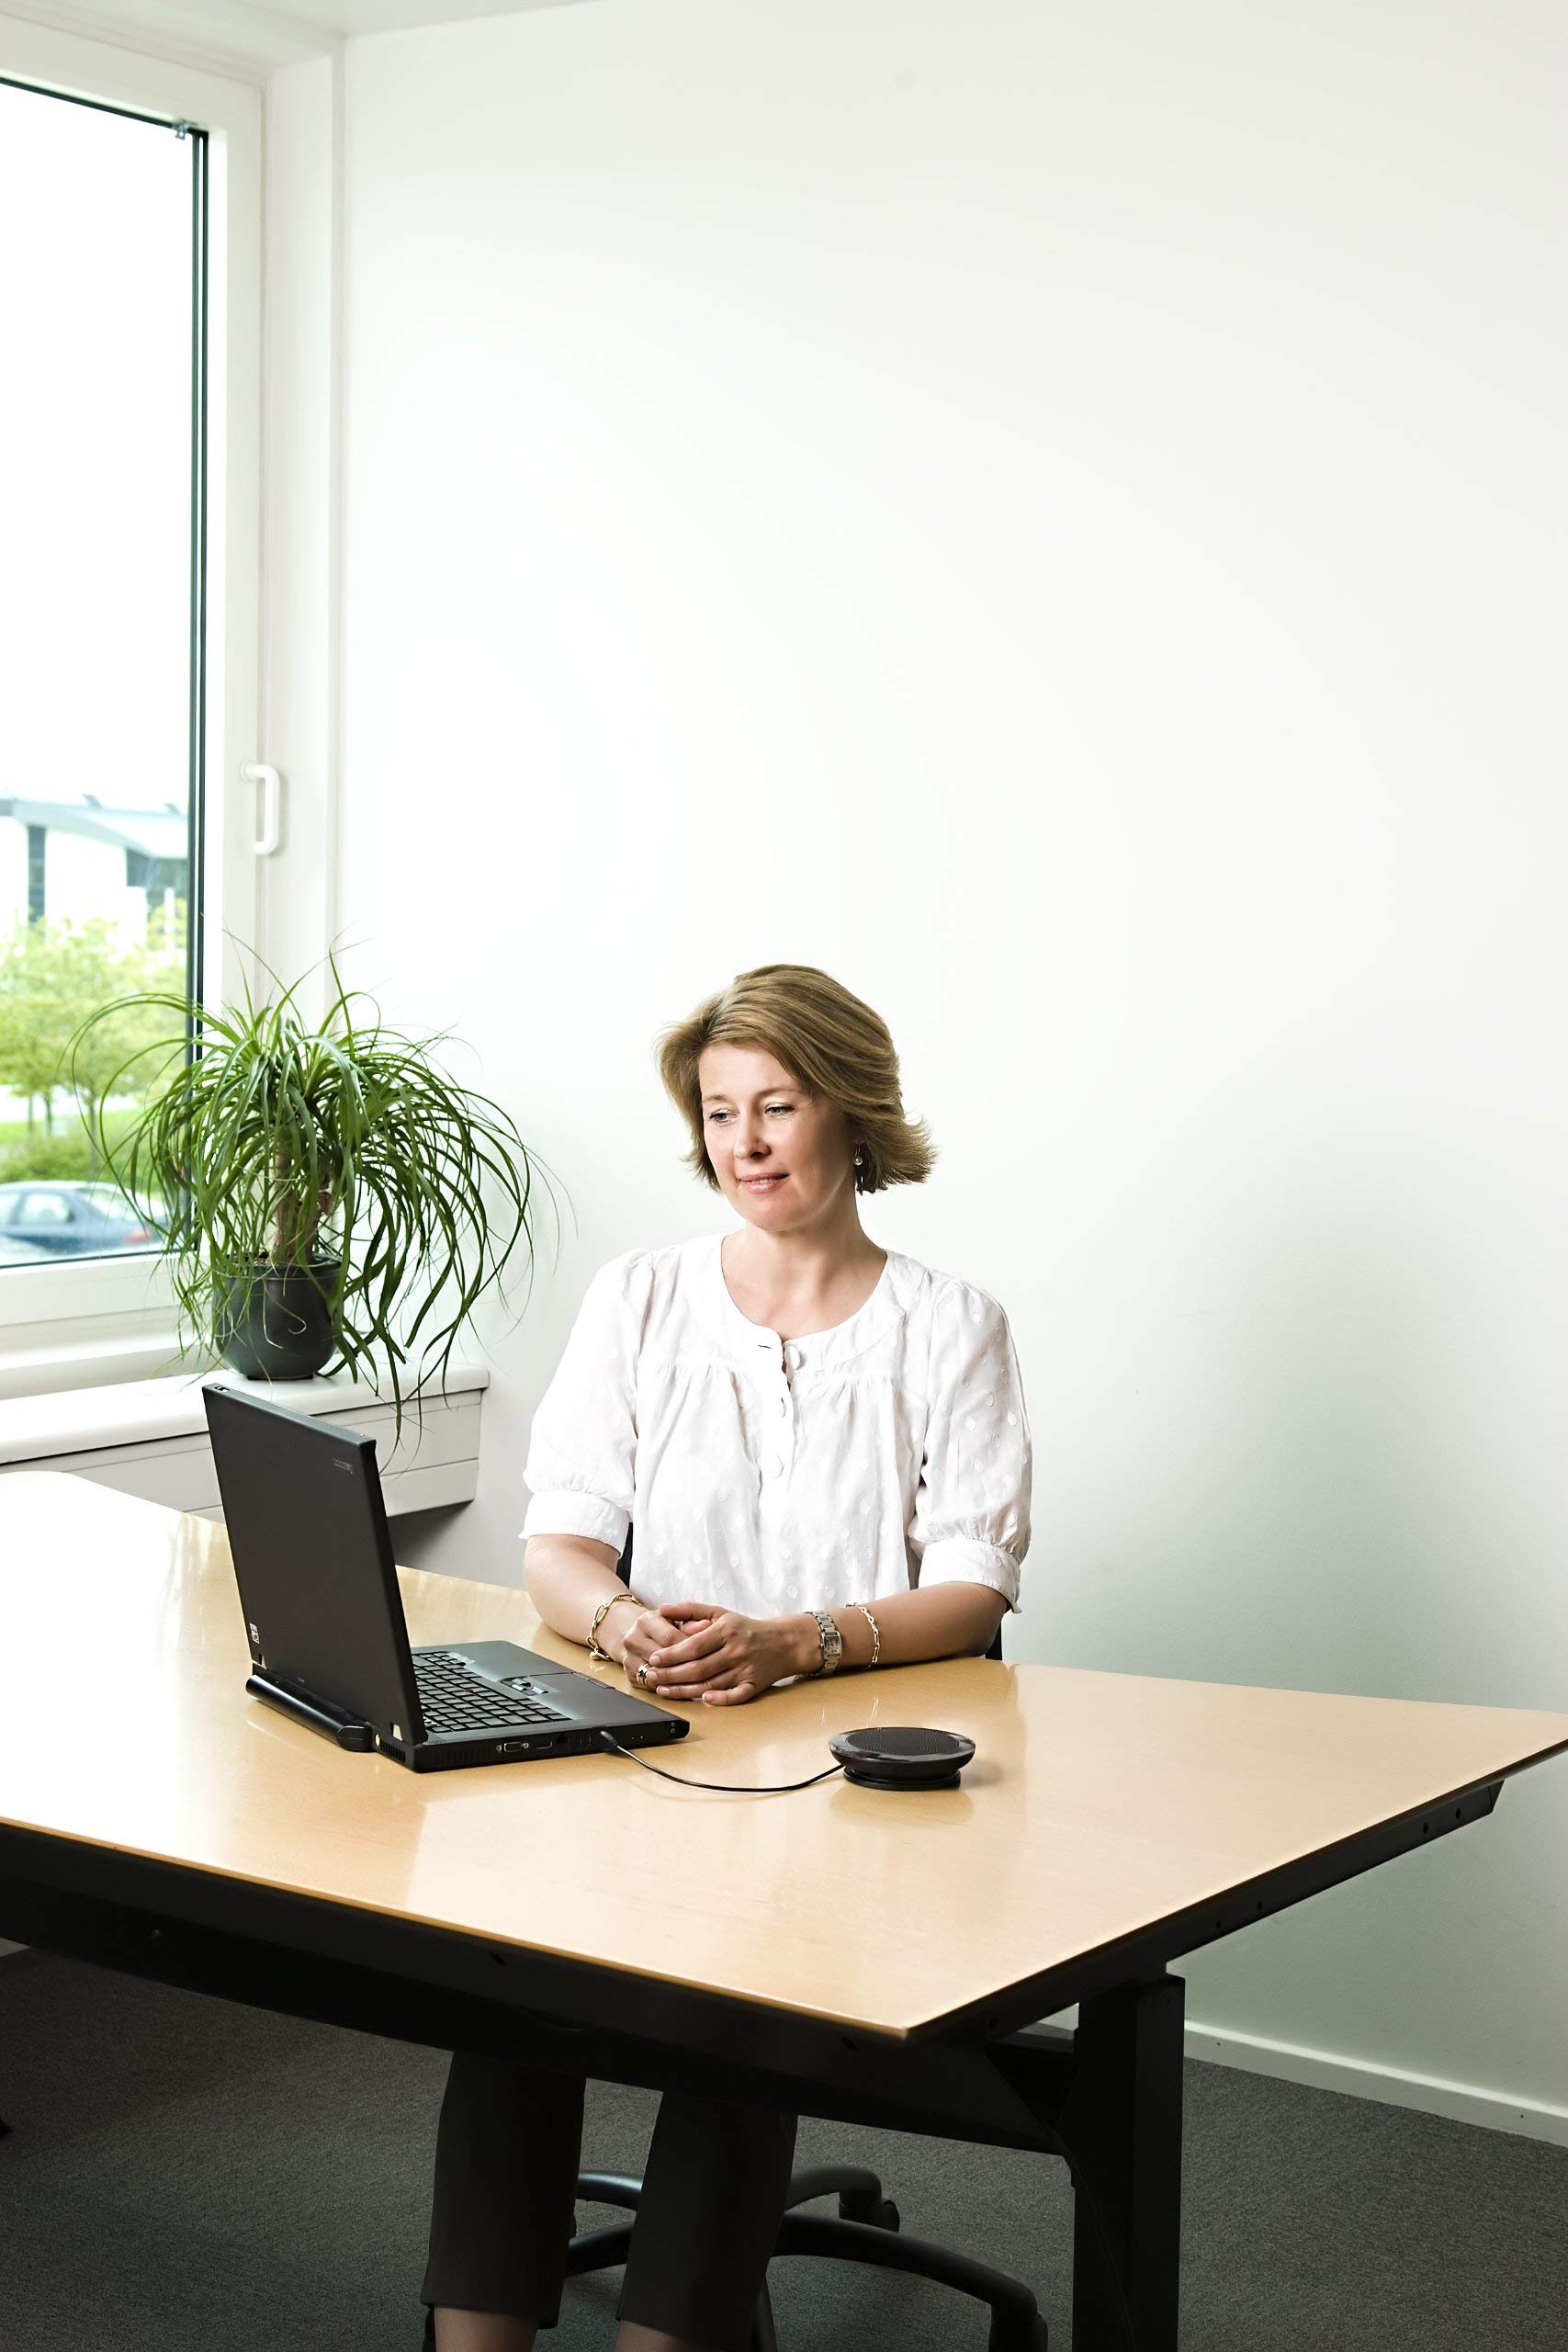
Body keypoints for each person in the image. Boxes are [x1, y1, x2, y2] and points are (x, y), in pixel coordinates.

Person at [422, 962, 1032, 2352]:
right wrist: (616, 1618)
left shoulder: (951, 1326)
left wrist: (794, 1644)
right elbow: (560, 1547)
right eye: (719, 1112)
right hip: (646, 1748)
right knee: (512, 1990)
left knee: (739, 2011)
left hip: (841, 1783)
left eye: (778, 1106)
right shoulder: (641, 1298)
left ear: (852, 1111)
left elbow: (972, 1591)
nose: (744, 1143)